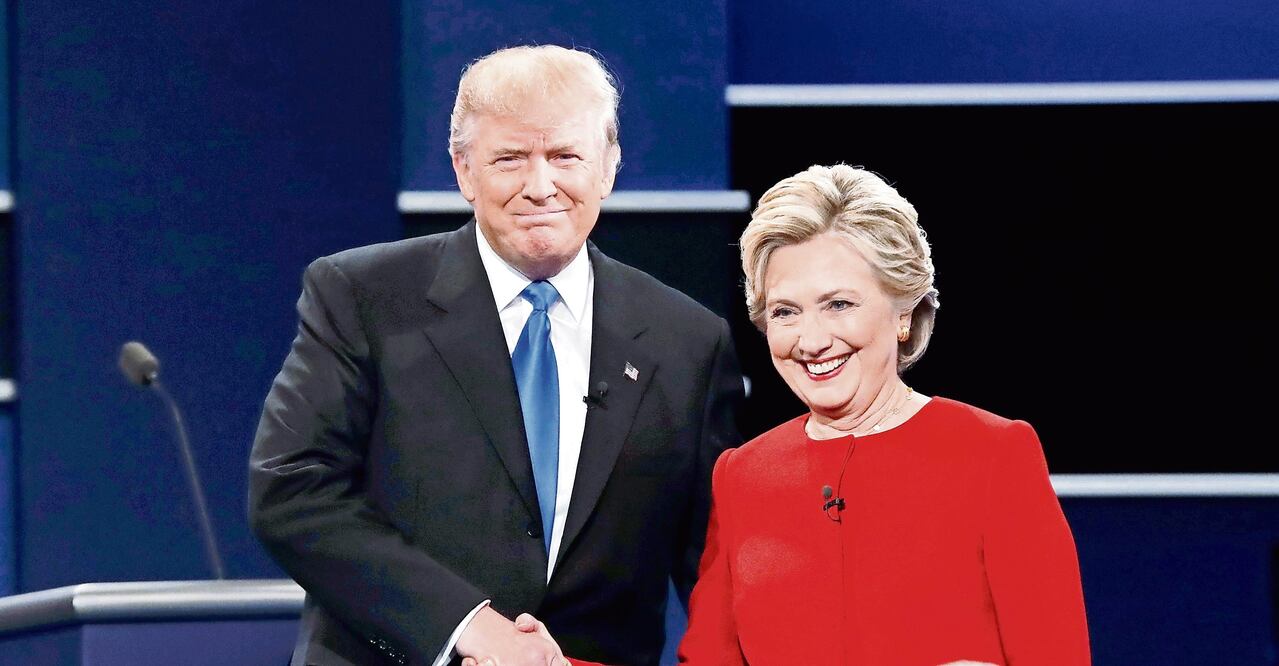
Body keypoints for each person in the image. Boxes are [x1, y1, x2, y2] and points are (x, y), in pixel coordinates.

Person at [249, 45, 743, 666]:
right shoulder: (364, 297)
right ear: (462, 170)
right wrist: (466, 626)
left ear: (609, 167)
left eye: (566, 156)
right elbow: (293, 490)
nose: (542, 187)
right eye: (510, 159)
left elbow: (714, 566)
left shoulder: (688, 341)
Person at [678, 164, 1090, 664]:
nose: (810, 341)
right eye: (786, 311)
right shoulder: (742, 475)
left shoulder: (992, 454)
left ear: (902, 312)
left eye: (838, 304)